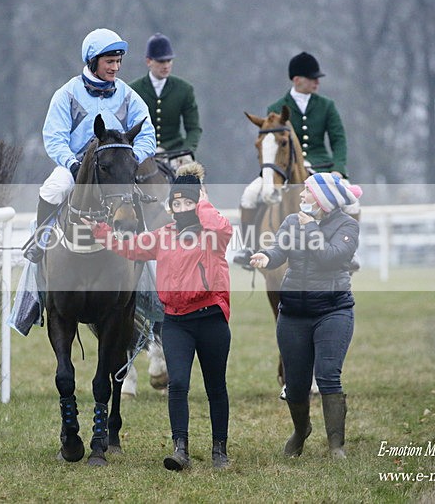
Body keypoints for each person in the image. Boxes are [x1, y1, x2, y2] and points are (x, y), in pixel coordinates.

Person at [86, 163, 233, 470]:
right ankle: (181, 449)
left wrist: (200, 197)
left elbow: (220, 227)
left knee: (215, 386)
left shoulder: (214, 234)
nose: (181, 208)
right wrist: (100, 232)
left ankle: (220, 450)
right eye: (176, 203)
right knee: (177, 384)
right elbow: (129, 247)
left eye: (187, 202)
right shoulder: (163, 235)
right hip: (177, 322)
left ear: (199, 203)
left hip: (211, 321)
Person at [249, 172, 362, 459]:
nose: (301, 196)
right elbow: (278, 250)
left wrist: (311, 228)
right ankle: (301, 431)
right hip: (293, 314)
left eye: (307, 192)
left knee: (327, 376)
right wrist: (267, 256)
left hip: (333, 311)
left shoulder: (347, 225)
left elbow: (331, 257)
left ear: (322, 199)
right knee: (296, 384)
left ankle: (336, 445)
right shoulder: (291, 222)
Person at [23, 28, 156, 262]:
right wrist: (73, 165)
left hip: (114, 168)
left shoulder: (128, 95)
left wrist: (132, 159)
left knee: (141, 200)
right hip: (76, 165)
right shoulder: (66, 94)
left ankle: (147, 265)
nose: (115, 67)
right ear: (93, 61)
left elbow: (147, 134)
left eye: (118, 61)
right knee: (53, 189)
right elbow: (54, 138)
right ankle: (40, 240)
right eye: (109, 61)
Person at [234, 52, 351, 267]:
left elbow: (339, 139)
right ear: (297, 80)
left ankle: (350, 251)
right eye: (312, 78)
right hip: (283, 169)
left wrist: (338, 168)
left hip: (322, 167)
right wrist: (271, 174)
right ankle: (248, 246)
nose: (317, 82)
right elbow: (270, 146)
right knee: (249, 194)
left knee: (351, 200)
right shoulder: (276, 108)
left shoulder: (327, 105)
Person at [129, 32, 202, 169]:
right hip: (141, 152)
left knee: (193, 179)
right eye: (161, 61)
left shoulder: (184, 89)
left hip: (175, 153)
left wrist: (186, 151)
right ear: (149, 61)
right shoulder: (133, 90)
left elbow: (193, 129)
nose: (166, 65)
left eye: (169, 60)